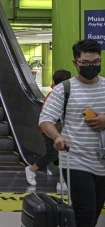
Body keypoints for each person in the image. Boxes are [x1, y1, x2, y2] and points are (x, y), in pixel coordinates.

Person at [39, 39, 105, 227]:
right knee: (85, 213)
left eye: (96, 62)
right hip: (76, 159)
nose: (91, 66)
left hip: (102, 161)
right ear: (76, 63)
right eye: (85, 63)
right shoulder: (64, 89)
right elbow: (45, 119)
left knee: (93, 214)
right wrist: (57, 136)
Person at [25, 69, 72, 191]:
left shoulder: (62, 92)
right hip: (51, 130)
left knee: (63, 153)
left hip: (58, 129)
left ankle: (62, 182)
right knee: (53, 154)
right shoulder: (56, 94)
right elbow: (48, 115)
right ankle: (31, 169)